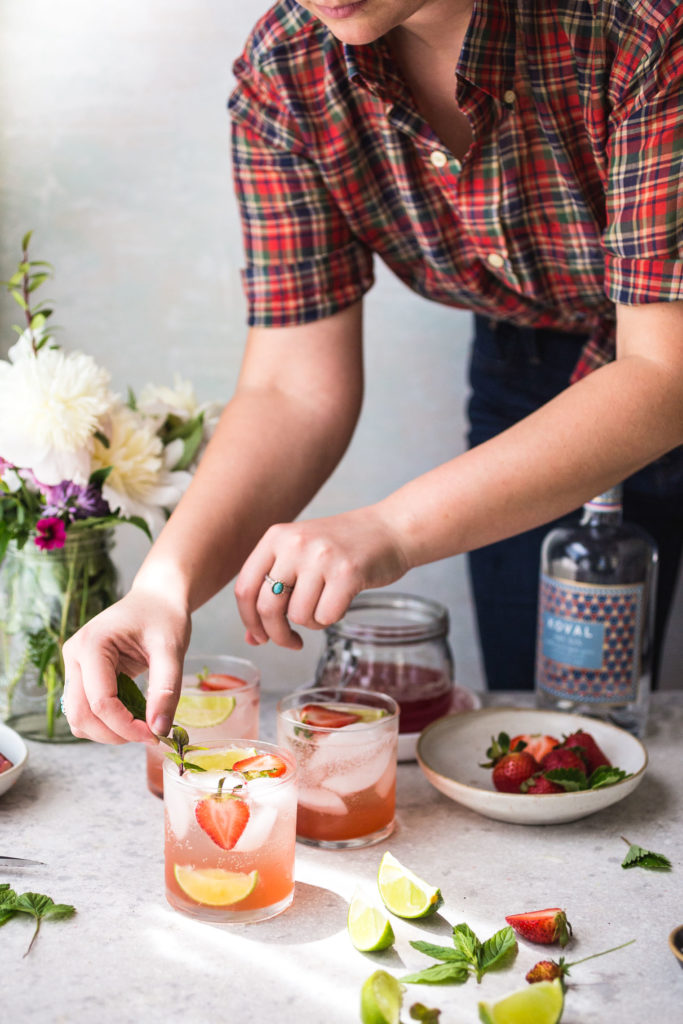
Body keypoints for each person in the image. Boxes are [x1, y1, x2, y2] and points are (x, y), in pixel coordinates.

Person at [62, 0, 683, 744]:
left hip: (656, 362)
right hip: (537, 363)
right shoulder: (288, 66)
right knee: (555, 742)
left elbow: (661, 371)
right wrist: (165, 587)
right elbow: (291, 388)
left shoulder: (641, 26)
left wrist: (388, 528)